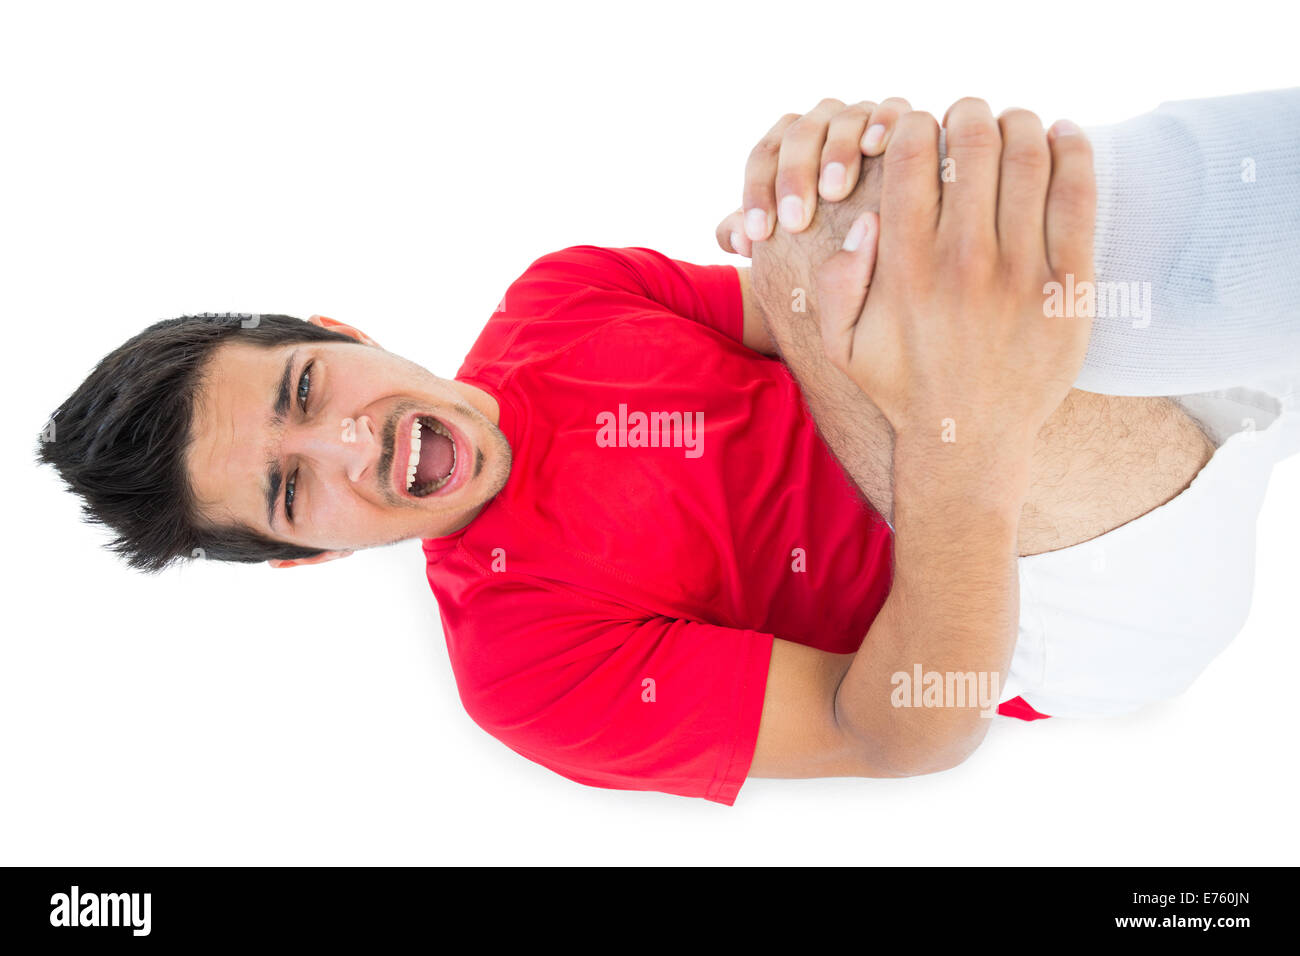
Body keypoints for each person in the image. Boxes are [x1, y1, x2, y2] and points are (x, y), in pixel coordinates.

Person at [37, 92, 1299, 805]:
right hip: (1075, 603)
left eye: (307, 389)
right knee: (851, 252)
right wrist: (955, 446)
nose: (350, 441)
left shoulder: (563, 294)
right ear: (306, 555)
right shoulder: (519, 669)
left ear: (341, 330)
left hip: (1118, 405)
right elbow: (900, 733)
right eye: (290, 485)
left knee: (848, 224)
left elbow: (843, 292)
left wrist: (830, 167)